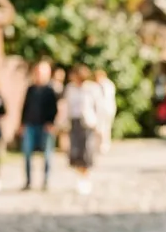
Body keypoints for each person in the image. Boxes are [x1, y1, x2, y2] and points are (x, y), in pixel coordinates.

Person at [19, 61, 59, 191]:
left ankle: (46, 181)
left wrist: (51, 123)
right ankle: (28, 181)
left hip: (45, 126)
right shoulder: (30, 89)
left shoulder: (50, 90)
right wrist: (22, 123)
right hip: (30, 124)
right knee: (27, 153)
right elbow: (25, 107)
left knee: (47, 155)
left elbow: (54, 109)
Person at [64, 65, 100, 195]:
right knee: (75, 150)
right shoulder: (70, 89)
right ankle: (79, 176)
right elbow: (66, 106)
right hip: (74, 121)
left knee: (86, 149)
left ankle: (86, 177)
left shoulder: (91, 88)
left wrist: (98, 123)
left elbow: (98, 106)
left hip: (87, 122)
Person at [94, 69, 117, 154]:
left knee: (105, 128)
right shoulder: (98, 85)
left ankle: (104, 145)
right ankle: (100, 145)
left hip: (106, 109)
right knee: (100, 128)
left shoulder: (107, 85)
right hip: (102, 110)